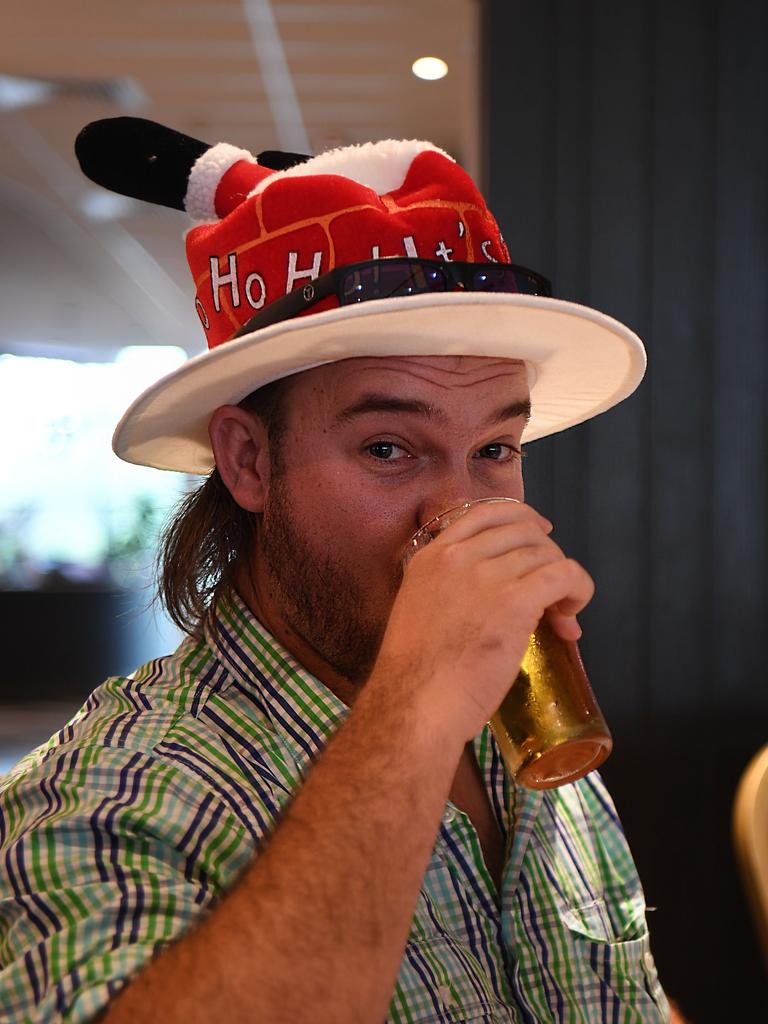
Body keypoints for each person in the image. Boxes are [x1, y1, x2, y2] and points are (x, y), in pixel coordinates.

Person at [0, 118, 681, 1023]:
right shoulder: (115, 791)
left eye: (494, 447)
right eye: (389, 446)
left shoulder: (518, 725)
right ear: (248, 462)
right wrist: (415, 709)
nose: (457, 515)